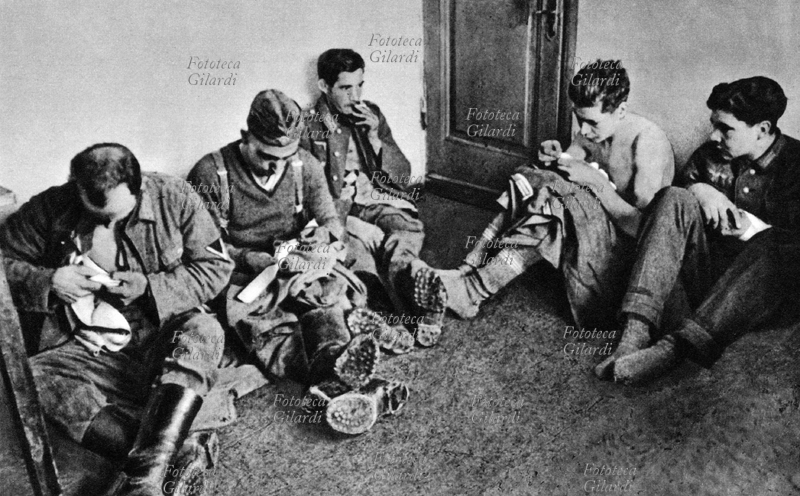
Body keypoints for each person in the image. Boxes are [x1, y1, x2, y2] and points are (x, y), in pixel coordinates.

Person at [0, 143, 233, 496]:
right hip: (89, 342)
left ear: (139, 187)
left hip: (162, 330)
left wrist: (151, 287)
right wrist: (48, 280)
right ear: (74, 187)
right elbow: (3, 261)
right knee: (36, 380)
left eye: (116, 216)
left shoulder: (176, 196)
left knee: (204, 333)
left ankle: (142, 477)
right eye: (95, 215)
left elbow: (216, 267)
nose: (107, 224)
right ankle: (171, 455)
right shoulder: (50, 206)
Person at [417, 60, 675, 362]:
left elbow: (647, 233)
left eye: (592, 123)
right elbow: (565, 169)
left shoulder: (647, 143)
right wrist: (550, 160)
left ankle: (472, 290)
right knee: (532, 179)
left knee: (554, 207)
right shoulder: (589, 130)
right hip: (589, 231)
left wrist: (594, 182)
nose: (583, 130)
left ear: (620, 110)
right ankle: (467, 270)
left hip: (626, 259)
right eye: (579, 120)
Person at [187, 89, 409, 435]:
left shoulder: (303, 163)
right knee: (266, 323)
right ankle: (340, 374)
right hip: (243, 272)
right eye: (267, 155)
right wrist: (250, 258)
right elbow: (206, 250)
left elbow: (331, 221)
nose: (278, 165)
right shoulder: (211, 173)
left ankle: (333, 367)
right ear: (246, 138)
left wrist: (323, 236)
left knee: (325, 292)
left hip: (294, 258)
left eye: (286, 156)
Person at [607, 76, 800, 384]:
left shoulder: (796, 164)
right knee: (673, 197)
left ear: (762, 130)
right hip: (706, 277)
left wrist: (755, 230)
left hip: (759, 297)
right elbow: (668, 214)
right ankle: (634, 333)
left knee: (777, 242)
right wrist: (701, 190)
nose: (713, 135)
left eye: (726, 128)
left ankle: (674, 349)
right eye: (714, 124)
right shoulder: (711, 155)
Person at [300, 49, 439, 346]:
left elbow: (402, 175)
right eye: (346, 88)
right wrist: (348, 223)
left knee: (407, 228)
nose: (355, 95)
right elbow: (307, 195)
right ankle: (384, 317)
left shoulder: (371, 113)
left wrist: (376, 136)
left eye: (360, 85)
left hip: (375, 196)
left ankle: (412, 284)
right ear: (324, 86)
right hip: (340, 209)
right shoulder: (308, 126)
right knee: (359, 253)